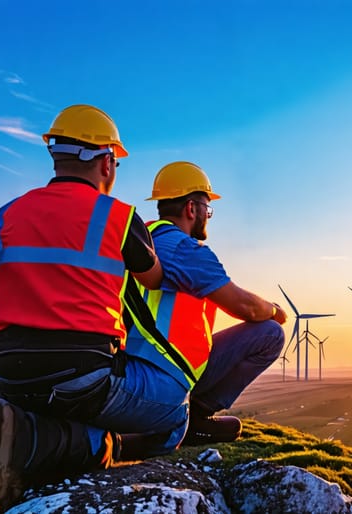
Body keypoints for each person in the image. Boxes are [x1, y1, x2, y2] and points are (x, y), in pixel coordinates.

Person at [0, 105, 170, 514]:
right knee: (171, 417)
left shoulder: (1, 218)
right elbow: (153, 278)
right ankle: (81, 445)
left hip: (5, 373)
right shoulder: (120, 217)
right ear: (107, 162)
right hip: (83, 376)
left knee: (53, 400)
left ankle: (12, 433)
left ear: (56, 155)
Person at [123, 161, 287, 449]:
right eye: (207, 209)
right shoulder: (184, 249)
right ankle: (196, 418)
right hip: (166, 370)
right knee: (270, 333)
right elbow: (245, 306)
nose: (207, 216)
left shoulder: (140, 239)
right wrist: (274, 310)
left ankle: (188, 415)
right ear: (191, 208)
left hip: (128, 368)